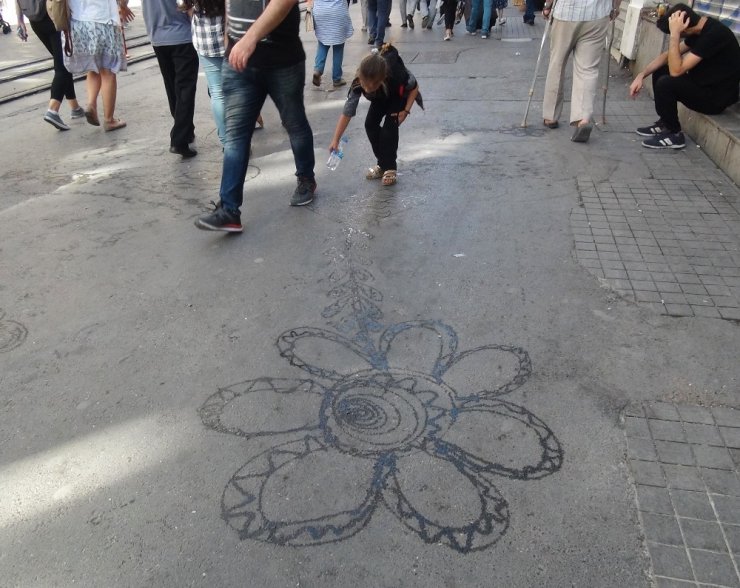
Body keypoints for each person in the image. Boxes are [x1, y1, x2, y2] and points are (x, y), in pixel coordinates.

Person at [194, 0, 317, 233]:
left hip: (282, 61)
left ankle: (306, 178)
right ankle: (229, 210)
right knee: (235, 136)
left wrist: (248, 39)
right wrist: (229, 39)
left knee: (294, 124)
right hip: (239, 62)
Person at [630, 3, 740, 150]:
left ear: (685, 27)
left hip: (715, 99)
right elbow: (665, 57)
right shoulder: (701, 28)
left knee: (666, 83)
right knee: (662, 69)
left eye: (680, 33)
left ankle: (674, 134)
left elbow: (677, 70)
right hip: (702, 86)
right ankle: (665, 123)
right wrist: (641, 75)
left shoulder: (715, 35)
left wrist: (675, 35)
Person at [328, 44, 422, 187]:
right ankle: (383, 164)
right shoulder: (358, 83)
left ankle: (389, 167)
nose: (366, 89)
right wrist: (335, 139)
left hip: (397, 97)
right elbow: (347, 112)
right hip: (379, 98)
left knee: (388, 130)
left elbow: (414, 88)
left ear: (383, 78)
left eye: (371, 87)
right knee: (370, 124)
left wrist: (406, 111)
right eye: (365, 86)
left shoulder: (396, 74)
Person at [541, 0, 620, 142]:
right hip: (597, 15)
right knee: (587, 68)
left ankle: (550, 116)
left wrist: (547, 5)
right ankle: (582, 118)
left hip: (566, 13)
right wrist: (615, 7)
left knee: (557, 64)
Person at [142, 0, 199, 158]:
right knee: (185, 88)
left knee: (173, 87)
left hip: (157, 35)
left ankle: (185, 130)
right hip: (181, 34)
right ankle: (179, 139)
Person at [16, 0, 84, 130]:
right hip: (53, 16)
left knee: (63, 60)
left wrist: (20, 21)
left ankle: (75, 107)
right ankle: (53, 110)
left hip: (35, 20)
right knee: (63, 65)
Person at [64, 0, 132, 132]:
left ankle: (91, 104)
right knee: (108, 72)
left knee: (93, 68)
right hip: (103, 20)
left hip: (78, 22)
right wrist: (123, 6)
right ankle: (109, 120)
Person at [308, 0, 353, 88]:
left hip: (320, 11)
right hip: (338, 11)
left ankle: (318, 70)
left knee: (322, 43)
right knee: (338, 47)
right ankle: (337, 78)